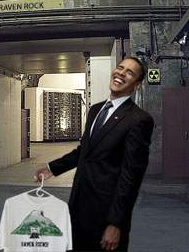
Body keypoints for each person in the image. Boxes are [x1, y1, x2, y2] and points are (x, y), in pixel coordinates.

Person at [35, 57, 154, 252]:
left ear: (137, 85)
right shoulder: (96, 110)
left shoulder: (138, 120)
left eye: (130, 72)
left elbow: (131, 177)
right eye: (120, 67)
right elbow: (85, 151)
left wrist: (116, 223)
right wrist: (52, 168)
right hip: (78, 209)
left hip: (105, 216)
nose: (121, 73)